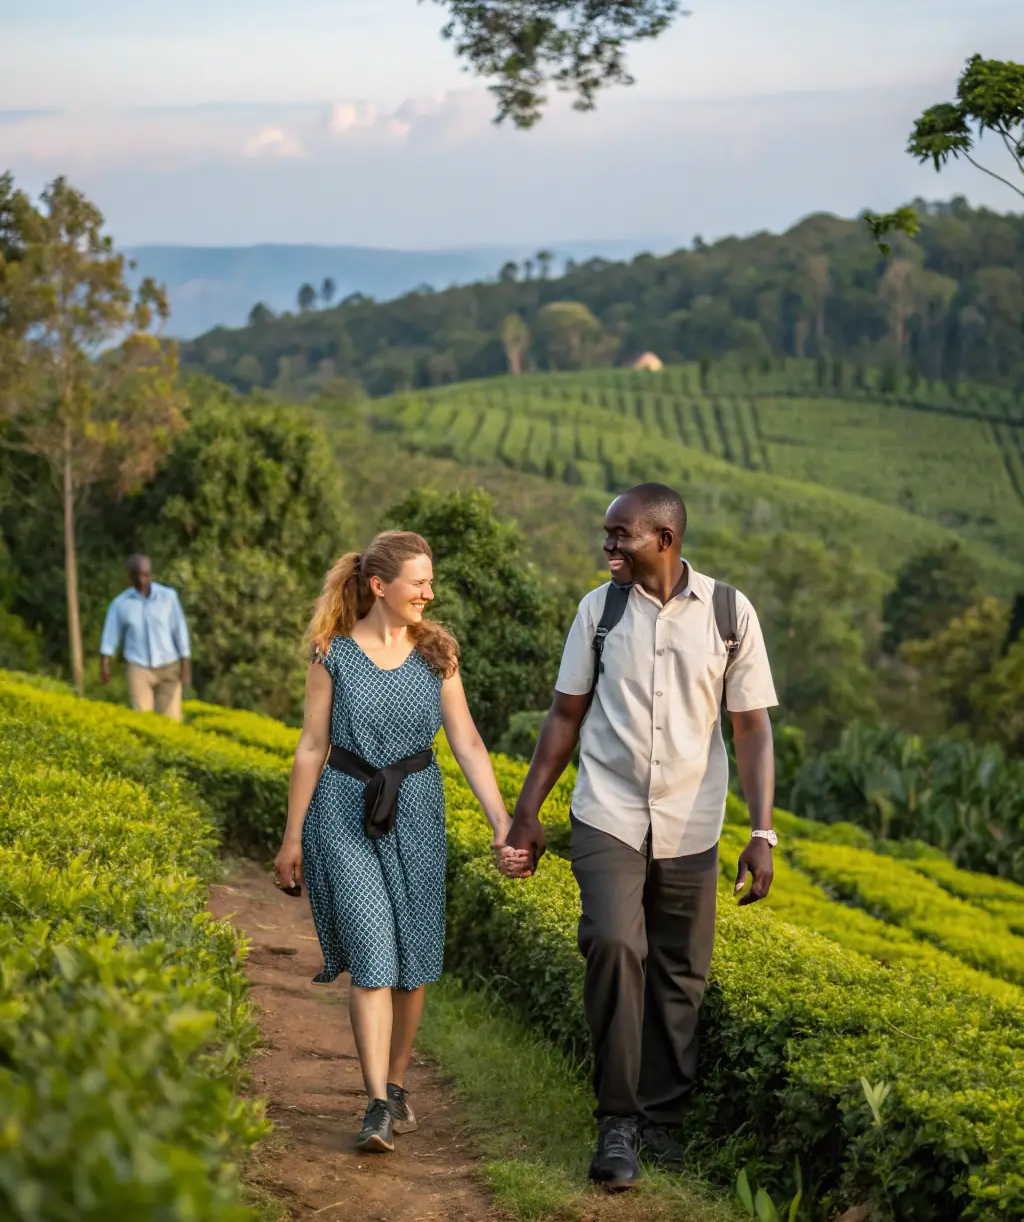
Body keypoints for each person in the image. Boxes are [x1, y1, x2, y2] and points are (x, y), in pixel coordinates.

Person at [505, 483, 778, 1191]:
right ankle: (618, 1119)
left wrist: (762, 830)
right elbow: (565, 715)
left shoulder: (728, 612)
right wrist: (528, 810)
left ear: (664, 538)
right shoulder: (599, 610)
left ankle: (663, 1121)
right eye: (607, 533)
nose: (608, 546)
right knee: (614, 941)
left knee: (681, 973)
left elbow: (751, 726)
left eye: (620, 534)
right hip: (609, 810)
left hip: (692, 817)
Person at [273, 530, 527, 1154]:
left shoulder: (437, 653)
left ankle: (397, 1080)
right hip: (343, 805)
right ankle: (377, 1105)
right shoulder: (331, 654)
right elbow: (311, 747)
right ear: (381, 586)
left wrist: (502, 823)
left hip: (414, 806)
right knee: (373, 954)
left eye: (430, 582)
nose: (428, 592)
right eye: (419, 582)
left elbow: (466, 741)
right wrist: (291, 837)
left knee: (413, 962)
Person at [99, 554, 192, 720]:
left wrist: (185, 663)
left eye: (146, 575)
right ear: (130, 576)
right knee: (142, 717)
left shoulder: (168, 597)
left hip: (169, 664)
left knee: (171, 719)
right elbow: (110, 635)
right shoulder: (121, 603)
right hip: (139, 666)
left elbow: (179, 629)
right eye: (137, 575)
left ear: (151, 574)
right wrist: (105, 663)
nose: (142, 580)